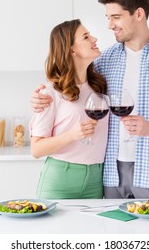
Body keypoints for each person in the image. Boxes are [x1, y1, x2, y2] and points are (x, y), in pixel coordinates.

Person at [30, 0, 149, 199]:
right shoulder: (104, 61)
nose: (110, 25)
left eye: (116, 17)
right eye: (108, 18)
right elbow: (71, 82)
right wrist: (38, 99)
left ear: (138, 14)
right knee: (113, 231)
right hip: (109, 174)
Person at [29, 19, 108, 199]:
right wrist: (73, 135)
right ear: (71, 49)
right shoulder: (51, 92)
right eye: (86, 37)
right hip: (60, 179)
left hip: (96, 179)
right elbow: (36, 150)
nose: (94, 39)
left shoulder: (99, 87)